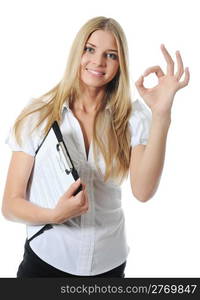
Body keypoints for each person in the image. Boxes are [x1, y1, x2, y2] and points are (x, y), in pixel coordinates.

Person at [1, 16, 190, 278]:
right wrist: (55, 215)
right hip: (46, 263)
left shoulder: (132, 117)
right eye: (90, 49)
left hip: (108, 267)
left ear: (120, 63)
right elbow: (11, 204)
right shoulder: (39, 116)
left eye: (111, 55)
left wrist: (161, 114)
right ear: (77, 52)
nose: (98, 62)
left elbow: (143, 191)